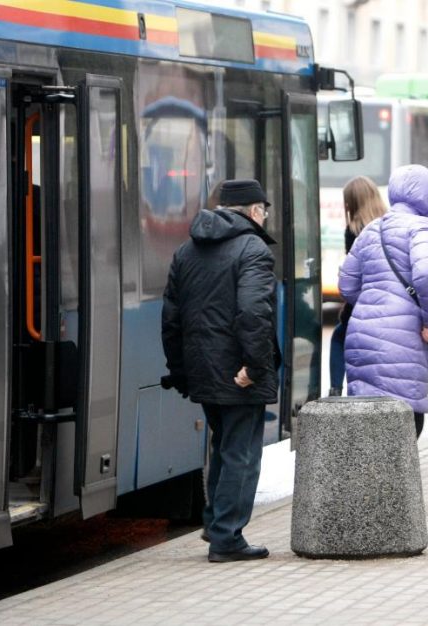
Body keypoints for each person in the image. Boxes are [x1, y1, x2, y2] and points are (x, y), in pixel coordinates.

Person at [161, 178, 278, 563]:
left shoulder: (186, 251)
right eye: (265, 210)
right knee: (242, 452)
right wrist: (256, 367)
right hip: (238, 371)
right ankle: (227, 537)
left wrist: (180, 371)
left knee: (222, 445)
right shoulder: (253, 249)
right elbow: (253, 312)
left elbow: (171, 320)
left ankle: (215, 523)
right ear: (255, 210)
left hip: (203, 370)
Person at [338, 164, 428, 439]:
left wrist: (371, 303)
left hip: (361, 339)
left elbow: (346, 284)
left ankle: (369, 482)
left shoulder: (371, 230)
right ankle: (391, 484)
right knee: (405, 428)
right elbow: (427, 273)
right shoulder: (422, 228)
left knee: (368, 431)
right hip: (403, 340)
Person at [328, 176, 388, 396]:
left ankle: (335, 388)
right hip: (392, 300)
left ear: (352, 203)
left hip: (365, 299)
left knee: (339, 336)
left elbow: (353, 275)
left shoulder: (354, 229)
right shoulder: (390, 223)